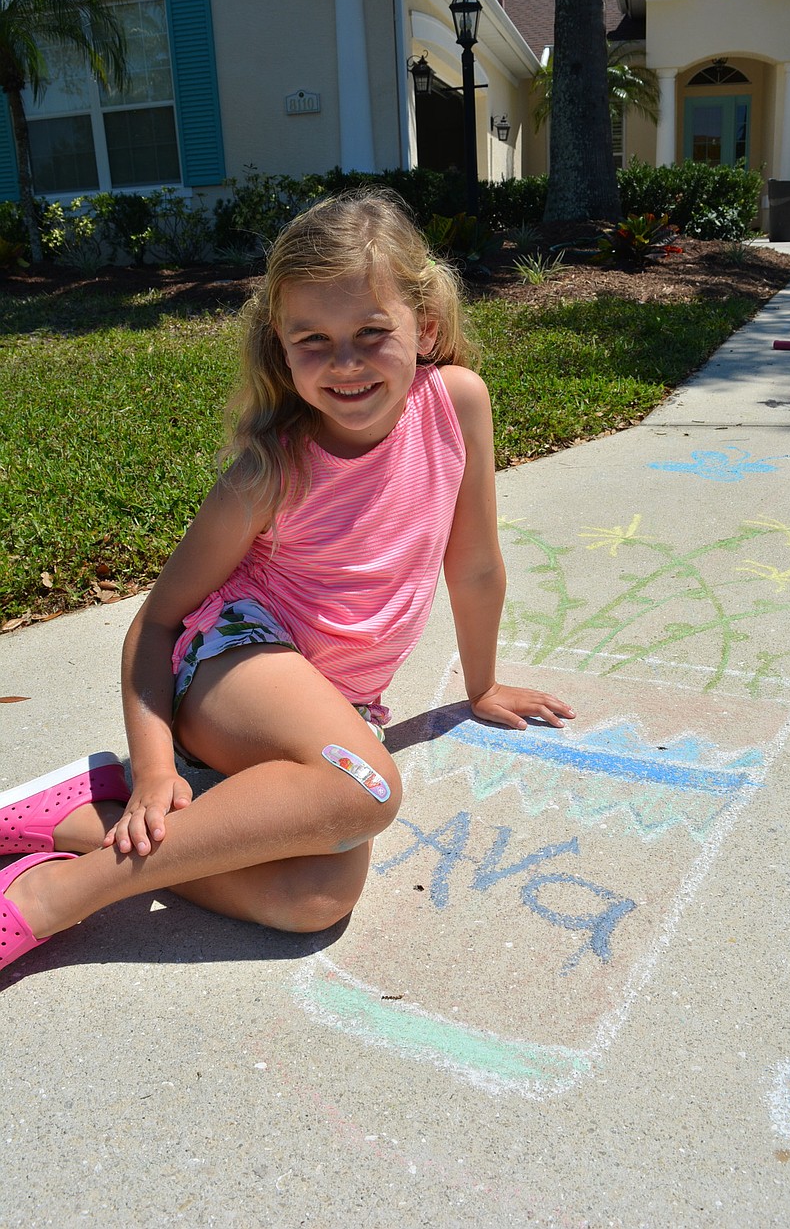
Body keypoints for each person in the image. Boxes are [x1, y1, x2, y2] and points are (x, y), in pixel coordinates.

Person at [0, 190, 574, 974]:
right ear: (281, 345)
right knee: (369, 789)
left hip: (340, 707)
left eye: (373, 333)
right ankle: (48, 901)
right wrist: (161, 764)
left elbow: (472, 563)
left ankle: (85, 812)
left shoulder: (458, 403)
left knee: (311, 901)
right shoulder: (273, 465)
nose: (345, 363)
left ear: (426, 328)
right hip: (234, 663)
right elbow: (157, 621)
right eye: (315, 340)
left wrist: (482, 686)